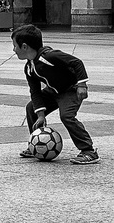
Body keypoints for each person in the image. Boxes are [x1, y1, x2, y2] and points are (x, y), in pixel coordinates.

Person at [14, 23, 98, 165]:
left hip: (70, 90)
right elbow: (35, 92)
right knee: (31, 108)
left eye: (15, 45)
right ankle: (37, 143)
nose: (13, 49)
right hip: (53, 91)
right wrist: (40, 115)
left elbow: (77, 63)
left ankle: (88, 150)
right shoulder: (29, 67)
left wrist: (82, 85)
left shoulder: (49, 56)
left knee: (67, 116)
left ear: (24, 46)